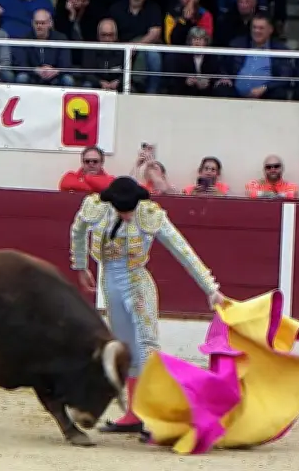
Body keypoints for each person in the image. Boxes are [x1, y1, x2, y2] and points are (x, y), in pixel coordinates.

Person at [69, 176, 225, 436]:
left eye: (131, 208)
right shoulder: (96, 208)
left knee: (147, 348)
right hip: (111, 285)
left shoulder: (150, 216)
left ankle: (153, 414)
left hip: (138, 284)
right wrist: (81, 265)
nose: (128, 214)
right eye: (123, 209)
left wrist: (210, 288)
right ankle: (133, 414)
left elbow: (182, 250)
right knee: (126, 350)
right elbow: (78, 229)